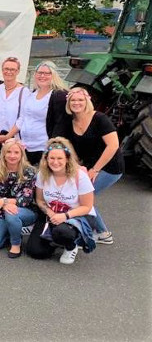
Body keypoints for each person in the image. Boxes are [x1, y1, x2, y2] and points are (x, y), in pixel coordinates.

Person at [63, 86, 122, 244]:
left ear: (87, 101)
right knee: (81, 197)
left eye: (80, 100)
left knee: (83, 199)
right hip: (88, 166)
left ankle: (101, 233)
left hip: (109, 167)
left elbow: (113, 145)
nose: (76, 103)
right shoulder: (71, 121)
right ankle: (99, 231)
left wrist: (96, 169)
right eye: (73, 100)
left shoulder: (100, 118)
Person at [26, 137, 98, 264]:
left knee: (62, 231)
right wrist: (50, 213)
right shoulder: (42, 175)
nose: (55, 162)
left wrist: (65, 216)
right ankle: (55, 240)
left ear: (67, 159)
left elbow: (87, 206)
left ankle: (71, 246)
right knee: (35, 252)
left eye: (60, 158)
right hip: (51, 214)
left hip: (77, 216)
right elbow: (40, 200)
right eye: (51, 158)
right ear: (46, 159)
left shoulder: (79, 176)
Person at [0, 138, 37, 257]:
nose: (12, 156)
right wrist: (4, 204)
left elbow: (26, 198)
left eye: (16, 152)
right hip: (2, 209)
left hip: (25, 210)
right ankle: (11, 231)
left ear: (21, 154)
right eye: (9, 152)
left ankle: (16, 243)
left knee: (11, 215)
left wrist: (4, 201)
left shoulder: (30, 171)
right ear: (3, 153)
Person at [17, 61, 68, 164]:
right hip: (26, 146)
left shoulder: (58, 95)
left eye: (47, 73)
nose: (42, 76)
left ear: (54, 75)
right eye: (39, 73)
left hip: (43, 146)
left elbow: (61, 123)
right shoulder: (32, 93)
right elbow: (24, 118)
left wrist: (53, 146)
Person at [0, 57, 25, 155]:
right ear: (2, 70)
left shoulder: (24, 92)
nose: (9, 72)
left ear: (18, 71)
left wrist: (8, 136)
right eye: (6, 69)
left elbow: (23, 118)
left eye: (12, 69)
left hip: (13, 140)